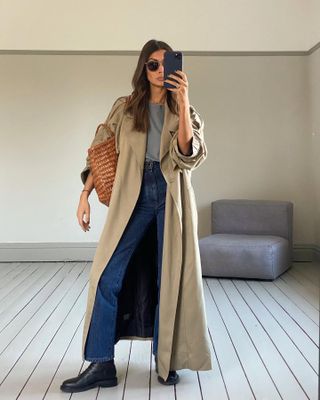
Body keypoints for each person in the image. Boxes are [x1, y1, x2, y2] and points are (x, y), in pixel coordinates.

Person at [60, 39, 212, 393]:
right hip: (134, 195)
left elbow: (189, 154)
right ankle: (101, 365)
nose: (160, 71)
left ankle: (166, 360)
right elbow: (102, 151)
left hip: (170, 196)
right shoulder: (126, 108)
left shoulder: (184, 110)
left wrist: (184, 100)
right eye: (152, 65)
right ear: (143, 70)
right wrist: (83, 195)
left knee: (168, 278)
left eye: (165, 64)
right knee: (106, 276)